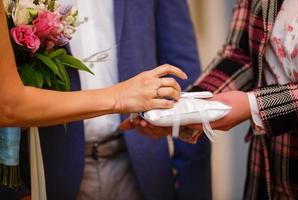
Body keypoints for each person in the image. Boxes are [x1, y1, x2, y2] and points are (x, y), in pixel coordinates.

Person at [0, 1, 188, 199]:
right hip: (52, 169)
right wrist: (11, 190)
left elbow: (184, 71)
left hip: (143, 164)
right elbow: (9, 104)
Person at [132, 0, 298, 198]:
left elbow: (252, 103)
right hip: (272, 171)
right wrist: (185, 109)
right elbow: (240, 52)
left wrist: (254, 105)